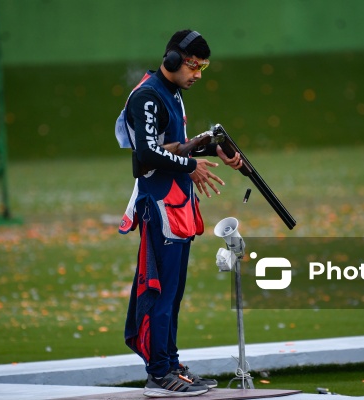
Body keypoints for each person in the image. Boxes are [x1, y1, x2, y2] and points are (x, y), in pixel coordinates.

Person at [115, 30, 242, 397]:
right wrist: (190, 166)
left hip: (176, 204)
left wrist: (207, 147)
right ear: (171, 60)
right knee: (159, 291)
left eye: (203, 67)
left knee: (173, 293)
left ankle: (170, 364)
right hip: (158, 205)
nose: (198, 74)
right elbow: (148, 155)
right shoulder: (147, 95)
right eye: (193, 65)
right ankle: (158, 374)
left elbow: (174, 146)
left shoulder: (171, 93)